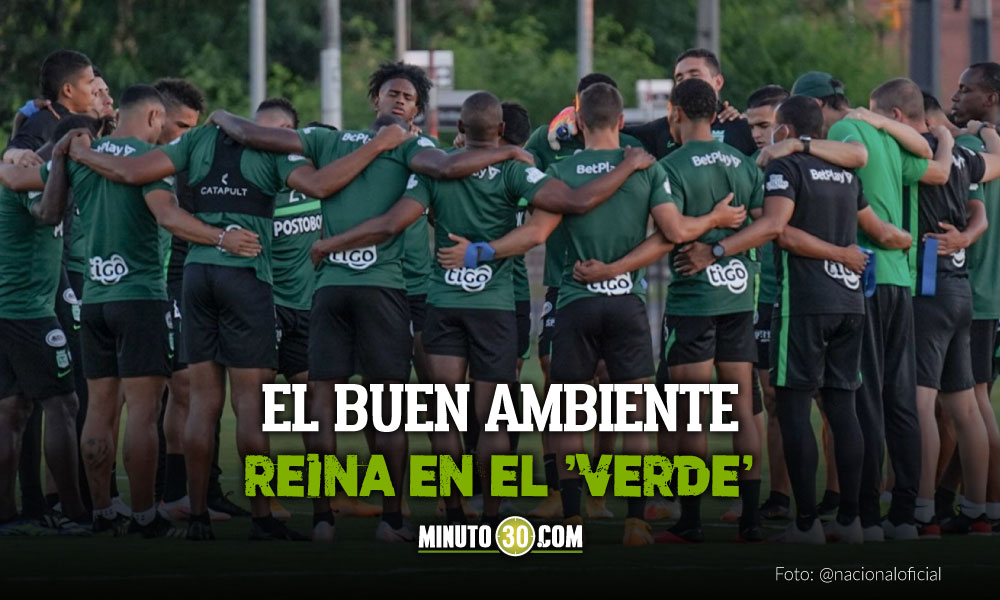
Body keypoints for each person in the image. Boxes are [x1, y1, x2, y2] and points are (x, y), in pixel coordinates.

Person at [441, 84, 748, 544]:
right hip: (626, 303)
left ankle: (571, 515)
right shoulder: (646, 170)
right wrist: (715, 222)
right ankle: (635, 521)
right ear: (622, 123)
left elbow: (535, 235)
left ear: (579, 123)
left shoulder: (559, 172)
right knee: (636, 415)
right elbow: (673, 233)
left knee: (566, 414)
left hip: (573, 303)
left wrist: (480, 252)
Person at [46, 85, 271, 537]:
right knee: (144, 414)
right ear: (153, 117)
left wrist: (61, 156)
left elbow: (50, 211)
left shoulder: (78, 153)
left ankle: (104, 511)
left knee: (100, 411)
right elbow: (168, 217)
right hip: (140, 295)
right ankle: (146, 517)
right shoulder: (146, 160)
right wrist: (221, 237)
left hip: (94, 296)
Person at [790, 71, 949, 541]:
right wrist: (937, 133)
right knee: (901, 400)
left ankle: (864, 518)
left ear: (817, 108)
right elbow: (935, 169)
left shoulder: (843, 133)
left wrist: (793, 149)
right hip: (900, 279)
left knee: (863, 399)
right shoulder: (881, 132)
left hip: (865, 277)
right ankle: (903, 514)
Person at [759, 95, 910, 543]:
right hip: (850, 304)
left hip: (804, 302)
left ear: (784, 130)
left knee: (791, 408)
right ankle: (854, 520)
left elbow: (779, 232)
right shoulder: (846, 173)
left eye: (772, 128)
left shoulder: (783, 168)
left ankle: (805, 523)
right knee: (843, 408)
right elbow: (881, 232)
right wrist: (911, 241)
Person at [523, 73, 643, 520]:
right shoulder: (552, 143)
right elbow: (523, 161)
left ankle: (598, 489)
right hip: (564, 280)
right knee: (559, 381)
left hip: (622, 283)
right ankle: (561, 487)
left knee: (613, 387)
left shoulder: (627, 145)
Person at [0, 115, 100, 536]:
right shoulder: (28, 174)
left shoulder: (29, 168)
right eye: (86, 147)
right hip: (26, 310)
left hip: (14, 307)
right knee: (63, 403)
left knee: (12, 411)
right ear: (68, 144)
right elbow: (48, 212)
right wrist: (60, 160)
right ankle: (76, 514)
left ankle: (7, 515)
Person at [949, 62, 1000, 532]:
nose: (956, 95)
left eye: (966, 89)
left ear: (990, 99)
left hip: (975, 290)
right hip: (990, 294)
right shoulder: (989, 146)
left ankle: (981, 508)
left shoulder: (967, 149)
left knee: (972, 402)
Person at [622, 48, 756, 158]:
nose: (686, 81)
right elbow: (609, 130)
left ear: (718, 82)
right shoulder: (662, 129)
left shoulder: (742, 128)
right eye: (679, 77)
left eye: (694, 75)